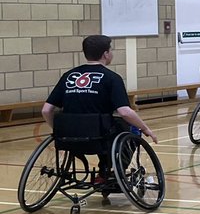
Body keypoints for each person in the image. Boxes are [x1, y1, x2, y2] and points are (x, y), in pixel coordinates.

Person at [41, 35, 159, 183]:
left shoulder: (68, 76)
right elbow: (125, 112)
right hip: (99, 138)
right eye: (111, 50)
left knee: (107, 128)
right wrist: (146, 129)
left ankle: (105, 169)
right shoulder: (112, 78)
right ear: (105, 54)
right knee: (133, 129)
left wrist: (59, 132)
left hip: (68, 138)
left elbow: (46, 110)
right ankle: (111, 172)